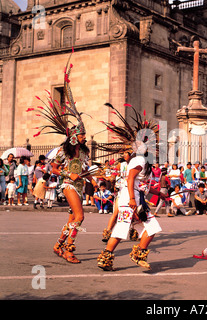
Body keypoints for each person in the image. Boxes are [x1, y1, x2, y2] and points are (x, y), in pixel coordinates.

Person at [29, 54, 99, 264]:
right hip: (67, 184)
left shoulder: (84, 152)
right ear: (73, 135)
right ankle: (69, 249)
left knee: (71, 219)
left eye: (84, 135)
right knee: (80, 217)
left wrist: (93, 177)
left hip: (78, 185)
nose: (84, 137)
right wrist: (70, 173)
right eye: (81, 135)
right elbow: (53, 168)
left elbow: (85, 169)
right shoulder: (63, 150)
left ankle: (58, 244)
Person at [96, 104, 165, 271]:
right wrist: (133, 199)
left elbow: (142, 185)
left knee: (148, 228)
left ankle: (125, 255)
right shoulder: (139, 160)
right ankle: (130, 254)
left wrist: (159, 194)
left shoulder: (141, 161)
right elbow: (130, 178)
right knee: (123, 230)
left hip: (134, 199)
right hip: (130, 200)